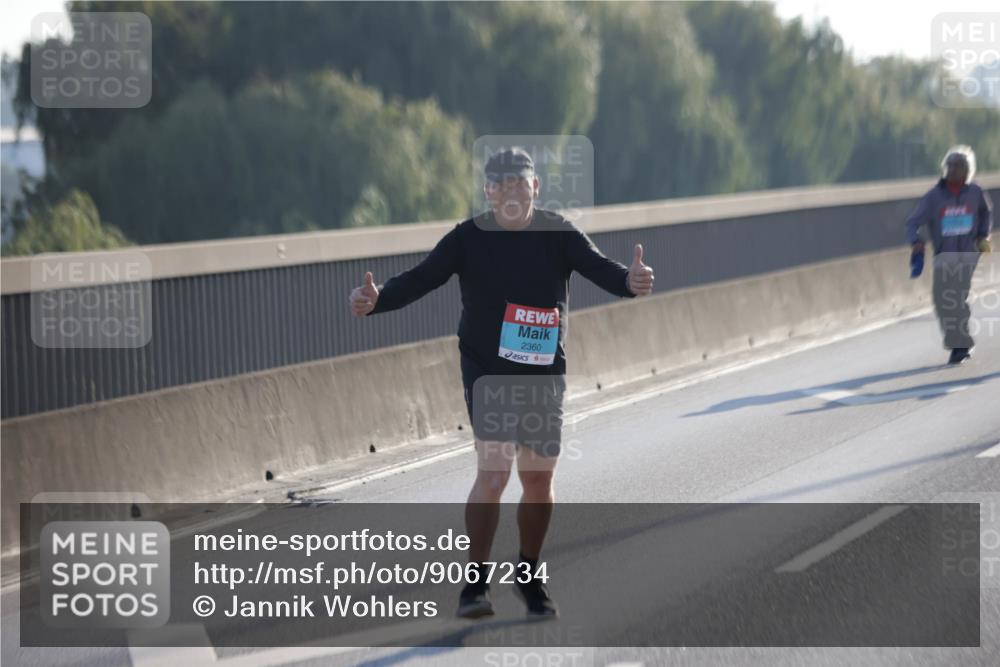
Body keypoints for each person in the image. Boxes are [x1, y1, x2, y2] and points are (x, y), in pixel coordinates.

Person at [349, 147, 655, 618]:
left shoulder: (559, 233)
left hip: (542, 370)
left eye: (521, 183)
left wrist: (631, 280)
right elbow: (420, 279)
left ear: (535, 188)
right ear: (489, 192)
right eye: (501, 184)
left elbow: (603, 270)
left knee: (537, 478)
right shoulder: (466, 239)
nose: (512, 192)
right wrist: (378, 299)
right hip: (486, 368)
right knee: (493, 474)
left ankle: (528, 574)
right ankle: (475, 584)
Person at [905, 145, 993, 365]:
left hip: (967, 255)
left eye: (958, 166)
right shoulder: (934, 197)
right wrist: (915, 241)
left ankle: (960, 344)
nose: (952, 170)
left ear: (967, 170)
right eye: (949, 165)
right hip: (944, 256)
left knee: (956, 297)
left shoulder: (975, 193)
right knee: (941, 299)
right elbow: (913, 221)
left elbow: (985, 213)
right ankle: (959, 342)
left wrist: (983, 235)